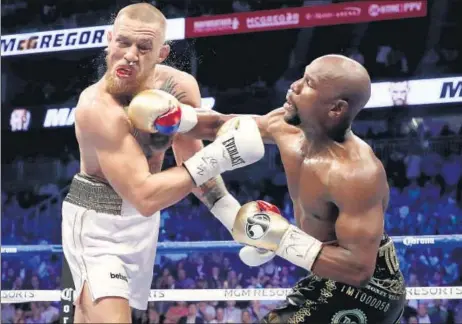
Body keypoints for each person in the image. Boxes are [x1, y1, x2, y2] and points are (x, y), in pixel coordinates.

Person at [144, 54, 406, 323]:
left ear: (335, 109)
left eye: (309, 83)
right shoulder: (284, 125)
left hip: (371, 291)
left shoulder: (356, 173)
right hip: (324, 277)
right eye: (302, 76)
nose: (294, 85)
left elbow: (358, 270)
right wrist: (173, 116)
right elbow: (220, 124)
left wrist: (279, 238)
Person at [61, 3, 265, 323]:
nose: (130, 54)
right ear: (109, 39)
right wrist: (223, 153)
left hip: (144, 224)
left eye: (143, 47)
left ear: (162, 53)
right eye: (123, 42)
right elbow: (143, 196)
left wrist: (234, 220)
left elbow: (193, 163)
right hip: (97, 222)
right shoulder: (97, 106)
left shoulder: (178, 88)